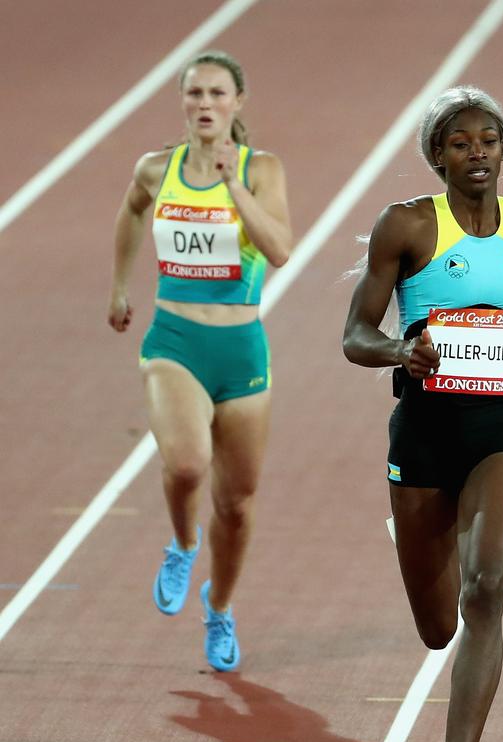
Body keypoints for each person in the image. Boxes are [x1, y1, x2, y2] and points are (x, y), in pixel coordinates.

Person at [342, 85, 503, 742]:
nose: (477, 153)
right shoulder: (406, 226)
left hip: (497, 427)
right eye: (461, 142)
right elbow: (355, 335)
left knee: (488, 582)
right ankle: (415, 533)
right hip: (422, 433)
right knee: (439, 627)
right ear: (438, 155)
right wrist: (400, 350)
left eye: (489, 140)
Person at [108, 50, 292, 671]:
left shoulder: (260, 169)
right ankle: (183, 545)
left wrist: (233, 185)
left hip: (240, 349)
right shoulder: (157, 169)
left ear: (238, 102)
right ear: (182, 102)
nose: (205, 104)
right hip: (174, 341)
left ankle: (220, 607)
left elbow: (281, 250)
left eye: (217, 94)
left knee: (237, 505)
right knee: (187, 464)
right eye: (194, 94)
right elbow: (133, 210)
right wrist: (119, 285)